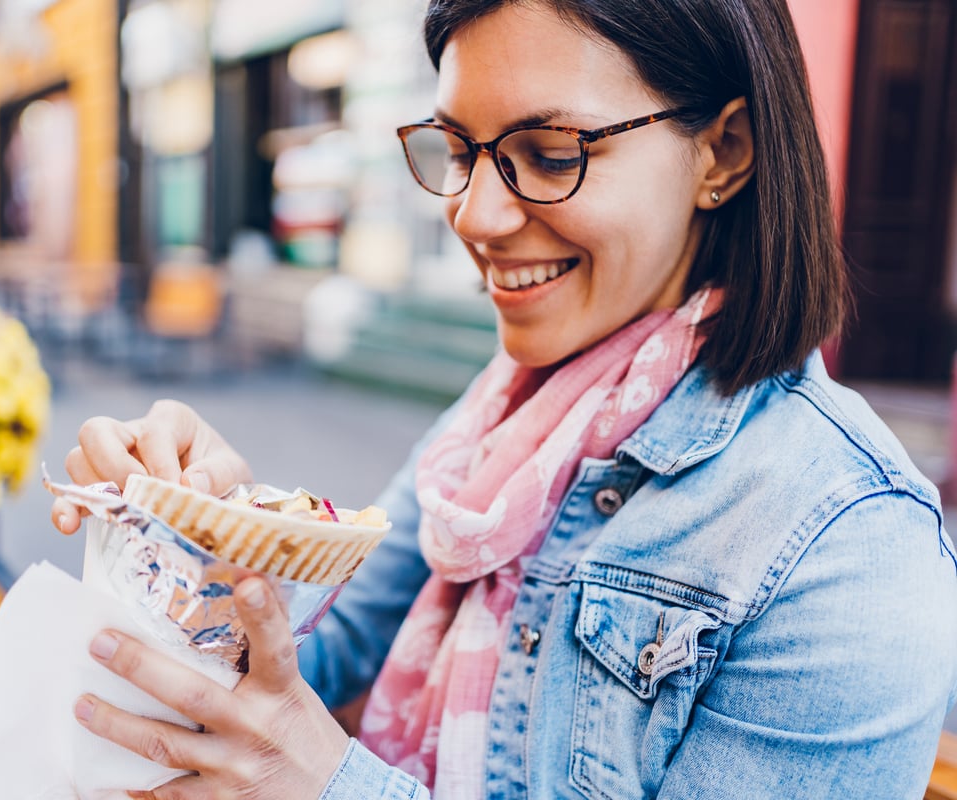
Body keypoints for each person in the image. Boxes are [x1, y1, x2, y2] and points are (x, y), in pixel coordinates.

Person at [51, 0, 957, 797]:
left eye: (550, 152)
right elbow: (296, 676)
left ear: (724, 151)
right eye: (460, 149)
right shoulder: (504, 424)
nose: (475, 217)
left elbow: (296, 754)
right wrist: (192, 531)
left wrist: (331, 787)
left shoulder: (849, 550)